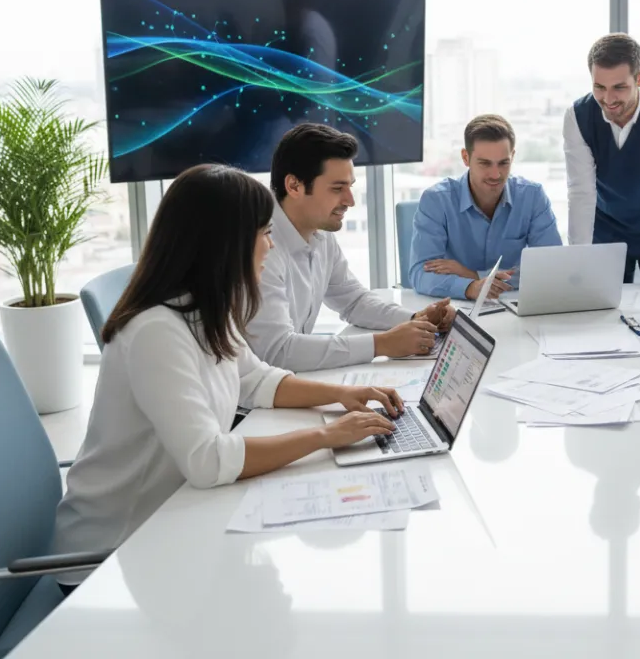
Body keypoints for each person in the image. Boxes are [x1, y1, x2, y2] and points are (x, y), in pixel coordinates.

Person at [52, 165, 403, 590]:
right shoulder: (154, 332)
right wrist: (326, 437)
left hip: (172, 519)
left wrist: (346, 395)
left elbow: (258, 382)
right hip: (113, 556)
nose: (271, 247)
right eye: (264, 233)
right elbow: (207, 460)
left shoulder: (202, 307)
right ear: (226, 245)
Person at [247, 123, 455, 372]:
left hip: (286, 385)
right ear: (294, 186)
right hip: (249, 405)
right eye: (337, 189)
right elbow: (277, 352)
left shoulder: (318, 231)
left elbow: (353, 301)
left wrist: (414, 319)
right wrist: (381, 344)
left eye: (350, 186)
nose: (351, 201)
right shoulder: (258, 246)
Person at [564, 33, 640, 283]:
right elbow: (581, 194)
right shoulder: (577, 117)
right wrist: (578, 260)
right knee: (602, 311)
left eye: (619, 87)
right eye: (599, 87)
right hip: (604, 232)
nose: (608, 100)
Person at [409, 114, 561, 300]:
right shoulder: (436, 200)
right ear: (466, 158)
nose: (495, 174)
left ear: (512, 157)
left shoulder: (532, 196)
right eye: (485, 164)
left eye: (503, 163)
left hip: (515, 306)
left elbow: (552, 267)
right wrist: (471, 288)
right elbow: (420, 274)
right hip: (455, 309)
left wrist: (474, 276)